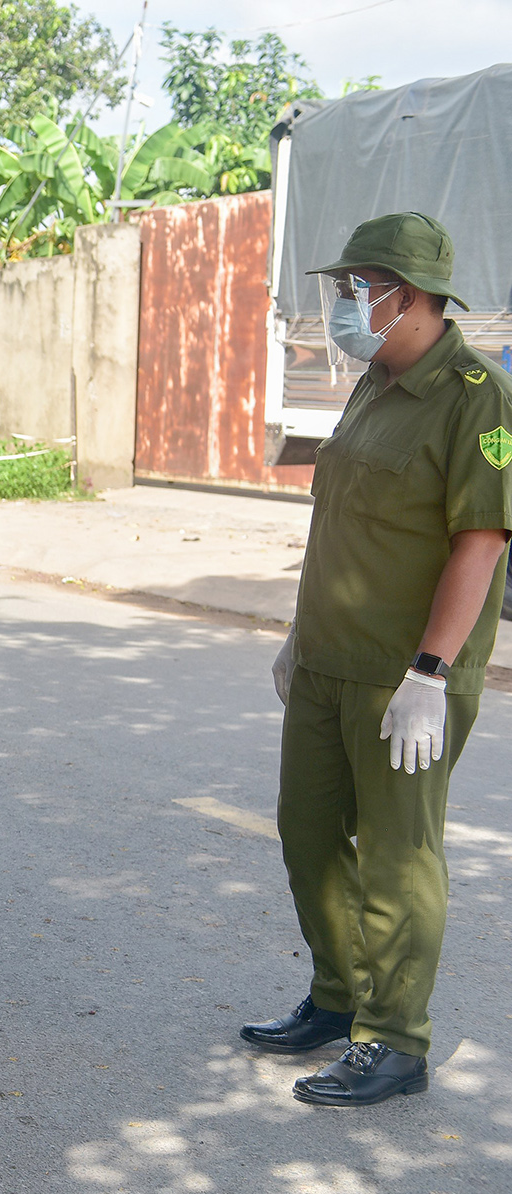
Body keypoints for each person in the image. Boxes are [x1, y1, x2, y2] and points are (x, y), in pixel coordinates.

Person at [244, 213, 512, 1106]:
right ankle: (337, 996)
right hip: (327, 659)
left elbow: (478, 544)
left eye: (360, 286)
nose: (347, 303)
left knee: (398, 854)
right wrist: (298, 633)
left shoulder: (477, 394)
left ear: (413, 294)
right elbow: (341, 522)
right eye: (347, 286)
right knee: (309, 834)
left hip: (406, 676)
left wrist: (431, 674)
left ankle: (395, 1038)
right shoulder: (371, 380)